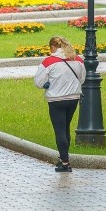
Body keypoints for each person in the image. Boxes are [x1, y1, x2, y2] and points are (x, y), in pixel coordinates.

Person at [33, 36, 86, 173]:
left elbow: (38, 82)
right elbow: (82, 78)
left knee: (59, 130)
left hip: (56, 99)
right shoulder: (78, 60)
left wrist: (48, 83)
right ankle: (64, 156)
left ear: (52, 47)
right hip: (73, 98)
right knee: (66, 127)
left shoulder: (49, 61)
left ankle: (65, 162)